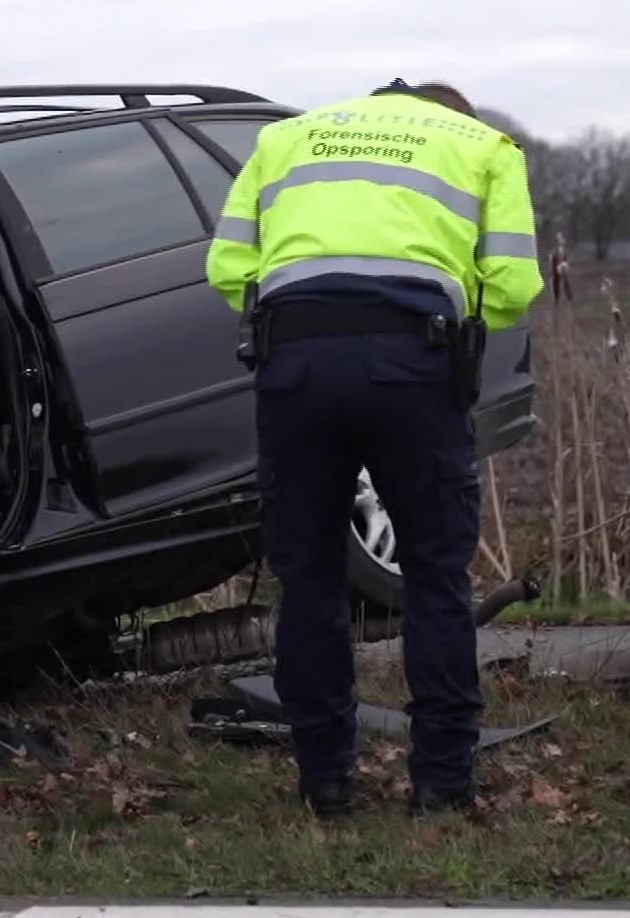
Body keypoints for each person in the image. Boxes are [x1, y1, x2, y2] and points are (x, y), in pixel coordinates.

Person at [205, 79, 543, 819]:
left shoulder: (284, 139)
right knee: (434, 576)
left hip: (295, 366)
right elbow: (513, 284)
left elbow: (228, 269)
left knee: (311, 577)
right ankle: (442, 786)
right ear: (450, 114)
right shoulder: (485, 147)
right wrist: (452, 322)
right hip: (414, 364)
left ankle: (325, 784)